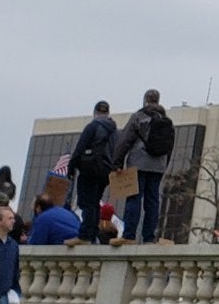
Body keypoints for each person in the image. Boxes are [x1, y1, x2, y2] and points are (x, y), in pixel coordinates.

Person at [112, 90, 172, 244]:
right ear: (158, 101)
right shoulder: (166, 120)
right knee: (152, 201)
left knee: (134, 198)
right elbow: (169, 147)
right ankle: (149, 237)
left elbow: (124, 141)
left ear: (145, 100)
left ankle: (129, 235)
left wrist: (117, 162)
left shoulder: (138, 117)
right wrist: (164, 166)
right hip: (158, 166)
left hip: (138, 163)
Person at [68, 101, 117, 242]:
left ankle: (85, 235)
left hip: (90, 170)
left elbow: (79, 148)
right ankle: (93, 232)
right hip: (106, 172)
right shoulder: (114, 131)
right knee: (95, 202)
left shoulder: (92, 127)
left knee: (87, 203)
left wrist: (71, 168)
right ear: (108, 113)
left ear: (95, 112)